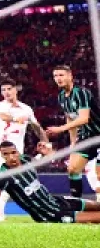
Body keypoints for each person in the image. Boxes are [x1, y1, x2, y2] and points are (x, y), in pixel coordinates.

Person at [0, 141, 100, 223]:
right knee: (96, 217)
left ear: (18, 152)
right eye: (6, 154)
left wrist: (47, 152)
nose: (11, 157)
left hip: (55, 200)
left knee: (96, 205)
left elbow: (51, 158)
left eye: (13, 152)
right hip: (47, 214)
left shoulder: (26, 160)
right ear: (2, 156)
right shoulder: (2, 175)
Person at [0, 78, 42, 221]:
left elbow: (37, 127)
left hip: (17, 150)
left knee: (8, 179)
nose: (6, 92)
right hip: (2, 147)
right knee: (9, 177)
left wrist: (45, 141)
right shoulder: (0, 105)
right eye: (3, 90)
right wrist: (17, 119)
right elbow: (3, 116)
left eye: (9, 89)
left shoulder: (27, 109)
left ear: (16, 89)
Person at [44, 65, 99, 201]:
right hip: (85, 137)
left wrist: (60, 128)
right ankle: (77, 203)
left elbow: (84, 118)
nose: (58, 78)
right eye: (56, 76)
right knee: (73, 169)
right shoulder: (62, 96)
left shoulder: (81, 92)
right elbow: (70, 116)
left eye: (61, 75)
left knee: (99, 175)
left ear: (70, 76)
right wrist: (73, 142)